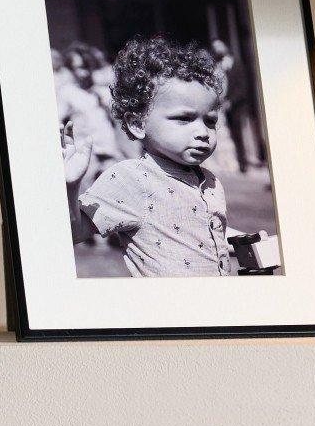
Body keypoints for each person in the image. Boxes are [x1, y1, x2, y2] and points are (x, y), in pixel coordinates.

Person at [77, 37, 277, 277]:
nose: (203, 132)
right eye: (184, 118)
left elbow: (200, 230)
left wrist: (246, 241)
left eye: (210, 121)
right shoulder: (130, 179)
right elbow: (74, 230)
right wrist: (70, 185)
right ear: (138, 124)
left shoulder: (209, 180)